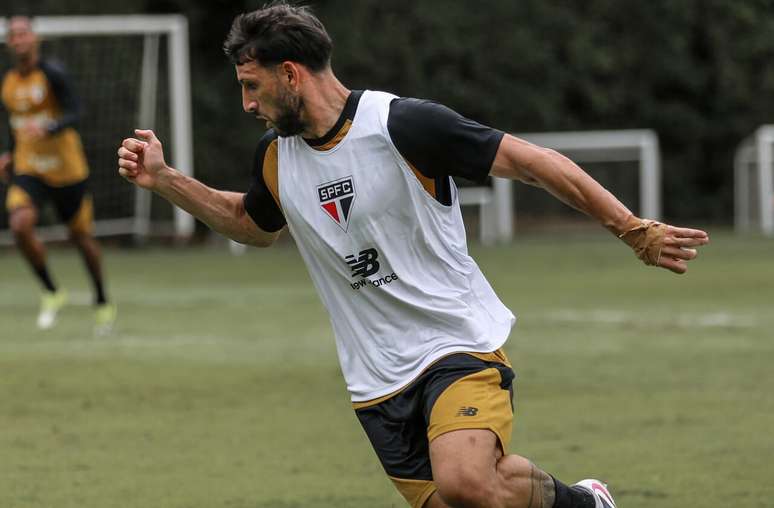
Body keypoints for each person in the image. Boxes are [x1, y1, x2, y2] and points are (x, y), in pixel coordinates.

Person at [117, 4, 709, 507]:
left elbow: (533, 163)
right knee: (468, 500)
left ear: (291, 74)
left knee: (466, 482)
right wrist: (167, 179)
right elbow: (252, 224)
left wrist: (632, 228)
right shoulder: (277, 158)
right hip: (374, 377)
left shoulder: (403, 125)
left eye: (252, 85)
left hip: (455, 344)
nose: (247, 104)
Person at [1, 16, 116, 334]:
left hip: (68, 171)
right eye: (13, 34)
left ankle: (103, 300)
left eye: (23, 33)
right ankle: (52, 291)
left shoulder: (53, 73)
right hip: (30, 169)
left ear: (34, 38)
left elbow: (77, 112)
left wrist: (50, 125)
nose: (18, 39)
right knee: (19, 225)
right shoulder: (8, 82)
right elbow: (13, 123)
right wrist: (8, 153)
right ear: (9, 43)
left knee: (81, 239)